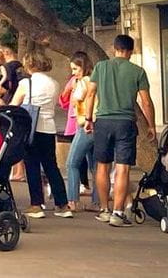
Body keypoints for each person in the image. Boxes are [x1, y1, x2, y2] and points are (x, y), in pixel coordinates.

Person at [85, 33, 155, 228]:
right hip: (125, 123)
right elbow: (146, 102)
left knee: (102, 166)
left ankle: (104, 209)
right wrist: (151, 125)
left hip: (103, 122)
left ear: (114, 49)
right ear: (131, 51)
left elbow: (90, 94)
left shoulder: (100, 67)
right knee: (123, 167)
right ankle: (118, 212)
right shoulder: (138, 71)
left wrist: (89, 118)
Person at [12, 51, 70, 218]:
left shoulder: (26, 83)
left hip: (32, 128)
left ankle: (36, 204)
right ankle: (62, 204)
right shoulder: (54, 83)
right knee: (51, 166)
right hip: (49, 128)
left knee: (32, 166)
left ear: (30, 65)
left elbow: (15, 104)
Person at [64, 51, 100, 214]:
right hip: (97, 124)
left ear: (83, 67)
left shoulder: (83, 82)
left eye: (75, 69)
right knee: (95, 165)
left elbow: (77, 99)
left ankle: (73, 200)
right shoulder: (94, 79)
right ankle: (97, 201)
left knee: (72, 163)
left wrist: (73, 87)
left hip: (85, 125)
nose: (73, 73)